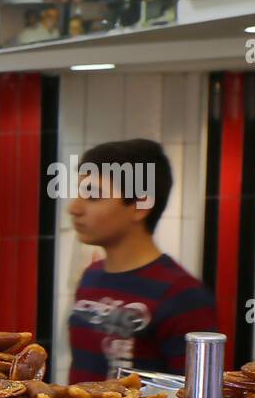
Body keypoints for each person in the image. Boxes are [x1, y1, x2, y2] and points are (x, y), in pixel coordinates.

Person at [67, 139, 217, 382]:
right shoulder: (91, 276)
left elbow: (196, 394)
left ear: (140, 206)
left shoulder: (183, 296)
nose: (74, 208)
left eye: (92, 196)